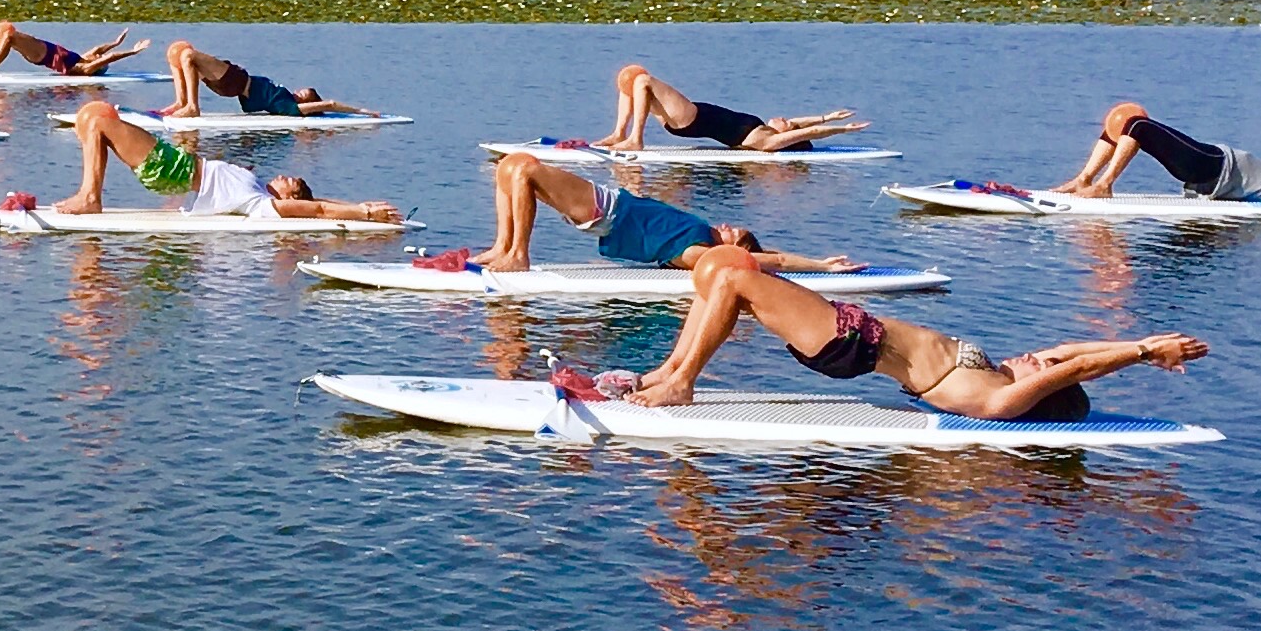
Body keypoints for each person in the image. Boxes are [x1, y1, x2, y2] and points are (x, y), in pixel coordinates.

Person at [618, 251, 1210, 416]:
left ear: (1043, 389)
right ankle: (669, 373)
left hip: (851, 343)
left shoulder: (997, 399)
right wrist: (1145, 343)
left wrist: (1141, 352)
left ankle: (682, 383)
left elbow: (1072, 369)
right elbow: (1073, 354)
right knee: (718, 266)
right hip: (852, 331)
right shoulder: (1006, 371)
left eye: (1039, 368)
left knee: (735, 279)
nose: (1038, 355)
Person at [480, 151, 860, 275]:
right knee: (510, 167)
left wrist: (822, 266)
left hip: (607, 210)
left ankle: (519, 255)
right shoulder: (698, 236)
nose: (726, 225)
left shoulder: (697, 253)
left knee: (526, 170)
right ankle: (502, 247)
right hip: (610, 204)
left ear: (734, 249)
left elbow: (769, 260)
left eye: (733, 233)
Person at [55, 99, 402, 221]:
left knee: (100, 122)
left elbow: (318, 211)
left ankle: (90, 197)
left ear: (287, 198)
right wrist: (358, 203)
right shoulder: (260, 190)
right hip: (174, 165)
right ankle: (90, 192)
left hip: (171, 169)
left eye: (289, 182)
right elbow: (321, 202)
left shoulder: (262, 204)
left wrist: (365, 215)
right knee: (93, 114)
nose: (284, 175)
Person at [1054, 103, 1261, 205]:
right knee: (1124, 122)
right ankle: (1083, 179)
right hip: (1202, 164)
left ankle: (1105, 184)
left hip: (1209, 165)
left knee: (1138, 126)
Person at [600, 64, 866, 153]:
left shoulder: (768, 141)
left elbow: (810, 133)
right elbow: (804, 124)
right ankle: (620, 134)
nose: (786, 118)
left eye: (789, 123)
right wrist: (828, 115)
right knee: (631, 80)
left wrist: (841, 129)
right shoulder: (768, 128)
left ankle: (635, 139)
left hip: (691, 118)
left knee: (643, 79)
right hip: (688, 119)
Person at [160, 40, 375, 118]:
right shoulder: (286, 97)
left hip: (235, 81)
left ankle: (192, 106)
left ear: (306, 103)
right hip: (229, 83)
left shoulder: (288, 106)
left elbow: (330, 104)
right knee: (176, 55)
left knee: (188, 54)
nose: (301, 90)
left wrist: (362, 112)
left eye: (306, 94)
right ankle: (181, 101)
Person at [0, 22, 152, 79]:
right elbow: (99, 50)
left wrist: (133, 52)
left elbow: (108, 57)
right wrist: (116, 41)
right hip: (45, 46)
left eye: (98, 59)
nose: (97, 55)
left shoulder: (85, 69)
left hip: (42, 55)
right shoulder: (84, 58)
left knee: (9, 36)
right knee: (2, 30)